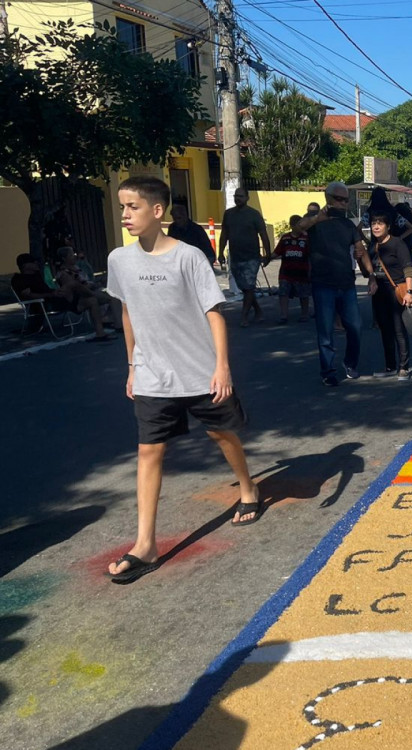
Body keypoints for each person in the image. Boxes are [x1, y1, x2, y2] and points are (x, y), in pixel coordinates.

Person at [104, 176, 260, 585]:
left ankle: (248, 488)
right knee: (148, 453)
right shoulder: (119, 260)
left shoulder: (188, 257)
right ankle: (145, 543)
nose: (125, 215)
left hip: (200, 371)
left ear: (158, 211)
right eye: (122, 207)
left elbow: (213, 311)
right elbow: (127, 314)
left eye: (133, 207)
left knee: (222, 436)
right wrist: (132, 366)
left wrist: (222, 366)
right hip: (153, 374)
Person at [295, 182, 378, 387]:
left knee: (356, 327)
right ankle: (328, 371)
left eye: (346, 199)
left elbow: (361, 250)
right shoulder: (314, 222)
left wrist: (371, 275)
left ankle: (350, 363)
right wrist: (317, 218)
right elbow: (297, 230)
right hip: (323, 284)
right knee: (325, 332)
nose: (344, 203)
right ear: (329, 198)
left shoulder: (348, 225)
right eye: (340, 199)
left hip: (346, 283)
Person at [12, 253, 113, 339]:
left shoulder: (36, 275)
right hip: (46, 303)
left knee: (92, 301)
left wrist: (55, 292)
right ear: (25, 265)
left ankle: (100, 333)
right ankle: (97, 293)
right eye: (33, 262)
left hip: (59, 299)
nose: (36, 263)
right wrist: (51, 294)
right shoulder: (19, 279)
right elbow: (29, 296)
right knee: (73, 284)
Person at [368, 211, 412, 380]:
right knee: (385, 331)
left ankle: (403, 367)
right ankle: (390, 366)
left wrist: (410, 292)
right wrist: (371, 281)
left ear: (388, 227)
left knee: (398, 330)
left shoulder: (397, 244)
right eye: (374, 223)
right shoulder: (373, 246)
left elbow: (407, 269)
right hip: (379, 294)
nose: (376, 226)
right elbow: (372, 270)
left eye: (380, 223)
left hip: (397, 291)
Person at [217, 187, 271, 327]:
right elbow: (224, 234)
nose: (237, 198)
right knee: (246, 288)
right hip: (235, 256)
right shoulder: (228, 214)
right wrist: (220, 252)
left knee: (249, 285)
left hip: (251, 257)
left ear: (247, 198)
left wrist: (268, 254)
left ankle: (244, 316)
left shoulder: (254, 214)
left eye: (240, 196)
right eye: (236, 196)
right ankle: (258, 311)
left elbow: (263, 235)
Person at [270, 215, 312, 324]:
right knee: (283, 293)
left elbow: (311, 255)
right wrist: (266, 259)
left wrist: (311, 271)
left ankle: (304, 314)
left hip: (302, 271)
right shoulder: (285, 238)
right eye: (299, 224)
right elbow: (277, 252)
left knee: (303, 294)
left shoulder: (306, 238)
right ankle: (284, 315)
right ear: (292, 225)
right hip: (286, 272)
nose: (301, 226)